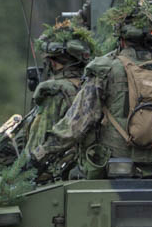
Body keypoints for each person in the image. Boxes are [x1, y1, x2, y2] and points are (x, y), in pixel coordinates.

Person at [29, 0, 152, 179]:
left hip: (108, 174)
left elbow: (76, 123)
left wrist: (38, 156)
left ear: (121, 39)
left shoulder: (105, 69)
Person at [17, 20, 95, 178]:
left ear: (53, 62)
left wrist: (17, 174)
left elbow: (36, 147)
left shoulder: (55, 93)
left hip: (53, 181)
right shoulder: (91, 87)